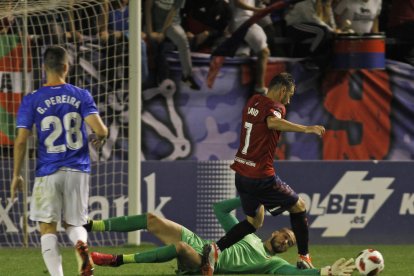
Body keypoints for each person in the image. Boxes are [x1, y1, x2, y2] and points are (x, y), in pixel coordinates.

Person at [202, 72, 326, 275]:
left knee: (254, 222)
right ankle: (304, 257)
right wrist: (307, 129)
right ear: (283, 90)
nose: (289, 99)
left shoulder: (254, 100)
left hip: (241, 173)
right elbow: (272, 122)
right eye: (290, 94)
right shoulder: (277, 107)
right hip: (261, 176)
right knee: (299, 207)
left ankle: (216, 249)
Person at [10, 46, 108, 276]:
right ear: (66, 67)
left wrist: (16, 174)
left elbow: (22, 140)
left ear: (44, 68)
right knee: (74, 224)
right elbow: (101, 130)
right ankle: (81, 246)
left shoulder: (32, 99)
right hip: (78, 170)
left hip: (48, 171)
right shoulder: (81, 94)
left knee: (47, 228)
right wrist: (99, 139)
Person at [84, 197, 354, 275]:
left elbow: (295, 275)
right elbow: (220, 209)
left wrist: (325, 272)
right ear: (276, 230)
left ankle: (116, 260)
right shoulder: (246, 233)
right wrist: (251, 198)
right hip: (202, 245)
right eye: (286, 236)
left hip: (206, 264)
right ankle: (91, 226)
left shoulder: (273, 264)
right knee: (152, 220)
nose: (286, 242)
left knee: (179, 247)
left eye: (290, 244)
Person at [144, 0, 200, 90]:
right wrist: (150, 32)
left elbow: (172, 13)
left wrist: (162, 33)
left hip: (171, 23)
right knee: (153, 45)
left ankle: (186, 75)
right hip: (152, 23)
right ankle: (153, 80)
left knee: (182, 39)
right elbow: (148, 8)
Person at [230, 0, 271, 94]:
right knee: (264, 52)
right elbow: (238, 2)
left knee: (243, 55)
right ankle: (259, 87)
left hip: (247, 21)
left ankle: (252, 89)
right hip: (242, 22)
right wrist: (257, 9)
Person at [284, 0, 338, 68]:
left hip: (308, 26)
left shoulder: (324, 3)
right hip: (294, 26)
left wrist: (335, 30)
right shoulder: (306, 2)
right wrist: (331, 30)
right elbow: (312, 19)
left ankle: (324, 60)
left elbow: (330, 18)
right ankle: (310, 57)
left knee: (329, 34)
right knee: (322, 31)